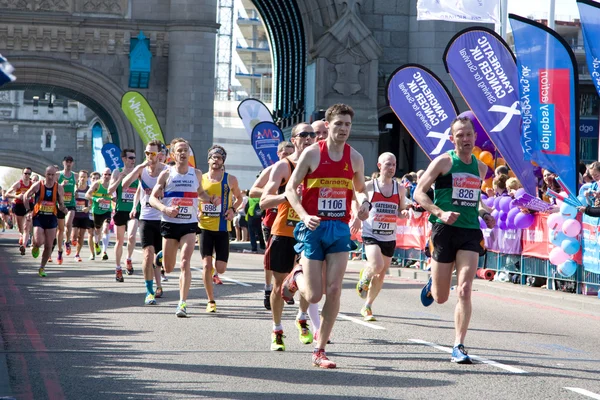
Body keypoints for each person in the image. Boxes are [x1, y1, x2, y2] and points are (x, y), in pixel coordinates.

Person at [281, 103, 370, 369]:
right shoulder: (312, 153)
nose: (344, 129)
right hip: (313, 228)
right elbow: (290, 189)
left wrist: (364, 204)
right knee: (316, 295)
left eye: (348, 125)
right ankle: (296, 277)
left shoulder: (354, 157)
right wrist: (303, 215)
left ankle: (320, 350)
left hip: (339, 228)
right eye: (339, 124)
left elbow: (361, 188)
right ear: (328, 125)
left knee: (334, 289)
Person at [413, 116, 495, 364]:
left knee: (465, 288)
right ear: (452, 139)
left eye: (469, 134)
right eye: (460, 135)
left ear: (475, 137)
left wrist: (484, 213)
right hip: (443, 230)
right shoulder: (444, 162)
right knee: (440, 297)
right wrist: (439, 212)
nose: (465, 139)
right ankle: (432, 283)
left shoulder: (481, 168)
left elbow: (476, 199)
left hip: (469, 231)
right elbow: (419, 192)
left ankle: (458, 345)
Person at [260, 123, 316, 351]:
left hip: (310, 233)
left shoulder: (318, 166)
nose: (309, 138)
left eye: (312, 134)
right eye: (304, 134)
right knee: (279, 285)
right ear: (294, 139)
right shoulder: (284, 166)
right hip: (283, 231)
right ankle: (276, 329)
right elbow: (264, 200)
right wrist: (287, 195)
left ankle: (302, 318)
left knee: (310, 281)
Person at [150, 138, 221, 316]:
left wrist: (210, 199)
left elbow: (201, 193)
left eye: (186, 150)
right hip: (170, 223)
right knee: (169, 266)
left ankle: (182, 303)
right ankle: (160, 258)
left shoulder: (196, 174)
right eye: (179, 150)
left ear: (189, 153)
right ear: (173, 154)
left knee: (185, 263)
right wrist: (165, 208)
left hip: (189, 224)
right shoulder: (166, 174)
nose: (183, 153)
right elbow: (152, 198)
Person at [355, 152, 407, 321]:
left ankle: (367, 306)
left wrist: (404, 212)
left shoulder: (399, 188)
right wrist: (358, 215)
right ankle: (366, 275)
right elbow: (358, 199)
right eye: (387, 164)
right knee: (376, 265)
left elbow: (401, 210)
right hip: (371, 233)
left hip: (389, 236)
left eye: (394, 164)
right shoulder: (370, 186)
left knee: (381, 274)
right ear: (379, 166)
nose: (391, 168)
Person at [249, 141, 295, 309]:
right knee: (272, 260)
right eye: (285, 153)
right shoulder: (273, 170)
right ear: (278, 153)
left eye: (291, 153)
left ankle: (287, 285)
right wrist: (277, 193)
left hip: (290, 220)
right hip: (272, 220)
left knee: (294, 258)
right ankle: (269, 289)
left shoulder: (297, 169)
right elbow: (253, 190)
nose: (288, 156)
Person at [198, 145, 243, 313]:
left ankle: (215, 274)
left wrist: (233, 210)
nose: (216, 160)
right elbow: (194, 197)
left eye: (219, 157)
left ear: (223, 160)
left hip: (223, 228)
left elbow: (239, 198)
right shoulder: (200, 179)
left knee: (221, 268)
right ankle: (211, 300)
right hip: (204, 227)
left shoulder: (230, 179)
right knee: (206, 265)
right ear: (208, 159)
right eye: (213, 157)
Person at [122, 140, 167, 301]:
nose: (149, 156)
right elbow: (125, 185)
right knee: (148, 255)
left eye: (152, 153)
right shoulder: (141, 170)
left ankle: (159, 284)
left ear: (160, 155)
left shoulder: (166, 171)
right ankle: (149, 291)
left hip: (164, 218)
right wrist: (137, 169)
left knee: (162, 258)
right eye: (147, 153)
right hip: (147, 218)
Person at [23, 166, 67, 277]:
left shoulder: (59, 188)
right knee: (39, 241)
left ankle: (42, 268)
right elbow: (25, 196)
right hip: (39, 217)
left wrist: (64, 209)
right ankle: (36, 246)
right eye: (49, 174)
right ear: (45, 174)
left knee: (49, 245)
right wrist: (28, 210)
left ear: (55, 175)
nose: (51, 177)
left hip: (51, 218)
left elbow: (61, 203)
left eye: (53, 175)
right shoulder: (38, 185)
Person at [108, 149, 139, 277]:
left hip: (134, 210)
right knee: (120, 241)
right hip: (120, 210)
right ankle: (118, 267)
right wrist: (119, 179)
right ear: (124, 159)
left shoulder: (138, 172)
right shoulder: (117, 171)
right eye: (130, 158)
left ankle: (129, 259)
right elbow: (110, 191)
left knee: (131, 236)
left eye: (134, 158)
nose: (133, 160)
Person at [86, 168, 113, 265]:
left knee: (106, 228)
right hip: (97, 211)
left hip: (107, 210)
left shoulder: (111, 184)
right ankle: (96, 243)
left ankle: (104, 252)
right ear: (102, 175)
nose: (107, 177)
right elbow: (87, 194)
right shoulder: (97, 184)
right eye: (105, 174)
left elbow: (114, 196)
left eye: (109, 175)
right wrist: (95, 199)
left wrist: (114, 199)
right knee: (97, 231)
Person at [6, 167, 34, 255]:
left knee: (27, 226)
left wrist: (31, 196)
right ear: (22, 174)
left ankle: (24, 245)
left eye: (29, 174)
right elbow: (7, 193)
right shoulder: (18, 184)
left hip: (28, 206)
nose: (27, 175)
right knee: (20, 227)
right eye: (25, 173)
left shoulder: (32, 184)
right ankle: (21, 235)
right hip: (18, 205)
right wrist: (17, 196)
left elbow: (38, 194)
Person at [56, 155, 77, 265]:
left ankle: (67, 241)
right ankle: (60, 252)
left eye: (70, 162)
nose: (68, 164)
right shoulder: (58, 175)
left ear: (72, 163)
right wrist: (60, 185)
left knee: (68, 224)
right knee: (60, 229)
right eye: (67, 162)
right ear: (63, 163)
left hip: (71, 204)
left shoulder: (75, 176)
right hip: (60, 204)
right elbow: (53, 187)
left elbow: (80, 187)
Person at [71, 170, 95, 262]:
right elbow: (68, 199)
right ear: (78, 178)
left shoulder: (89, 190)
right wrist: (74, 197)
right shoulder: (74, 189)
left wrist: (88, 208)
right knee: (74, 235)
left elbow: (93, 203)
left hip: (84, 215)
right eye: (81, 177)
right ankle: (70, 241)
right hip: (75, 214)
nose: (83, 178)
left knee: (81, 236)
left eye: (84, 177)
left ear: (87, 178)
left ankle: (77, 254)